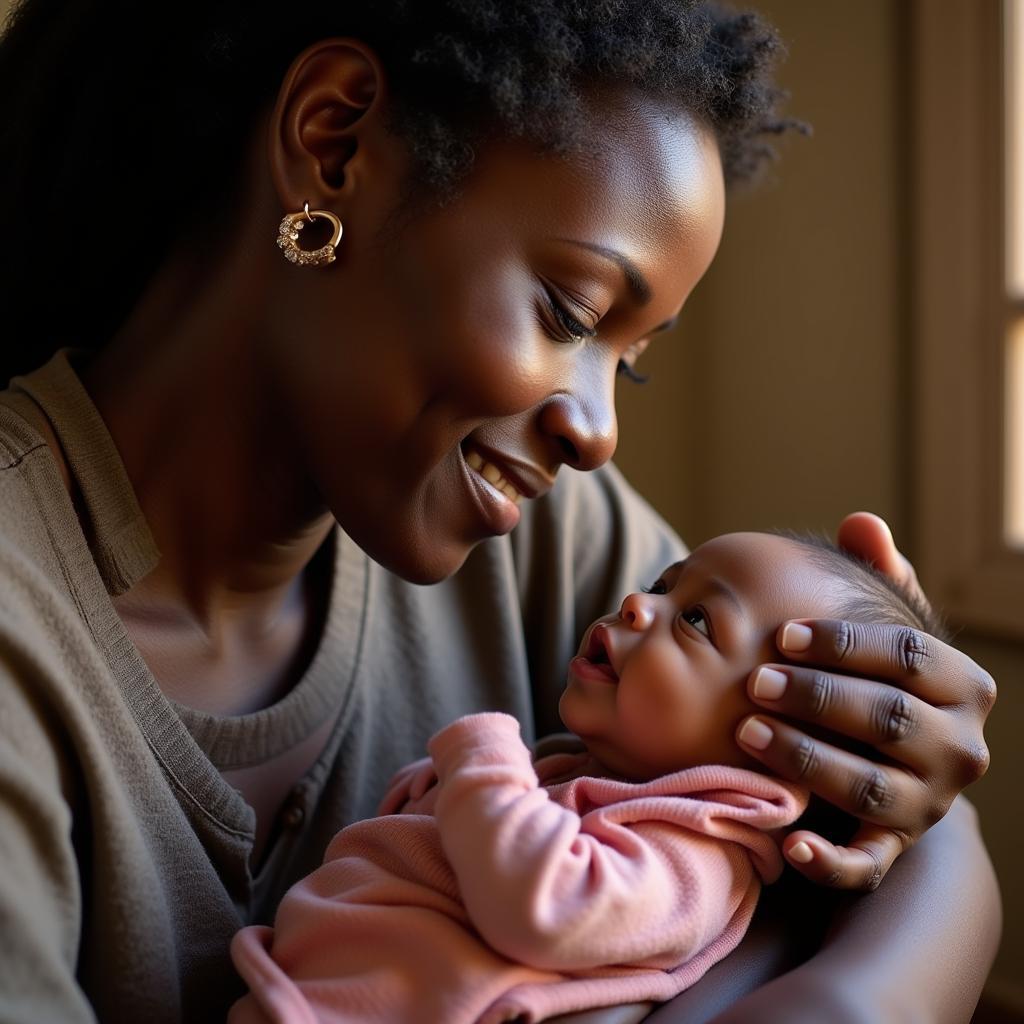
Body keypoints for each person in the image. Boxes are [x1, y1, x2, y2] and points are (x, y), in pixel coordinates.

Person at [0, 3, 999, 1024]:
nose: (598, 432)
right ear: (332, 143)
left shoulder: (533, 530)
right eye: (569, 314)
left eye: (631, 364)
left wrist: (881, 770)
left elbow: (895, 827)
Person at [225, 531, 946, 1024]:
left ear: (780, 749)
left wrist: (480, 760)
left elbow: (546, 905)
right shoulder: (575, 768)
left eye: (695, 619)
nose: (640, 605)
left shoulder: (697, 854)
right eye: (661, 586)